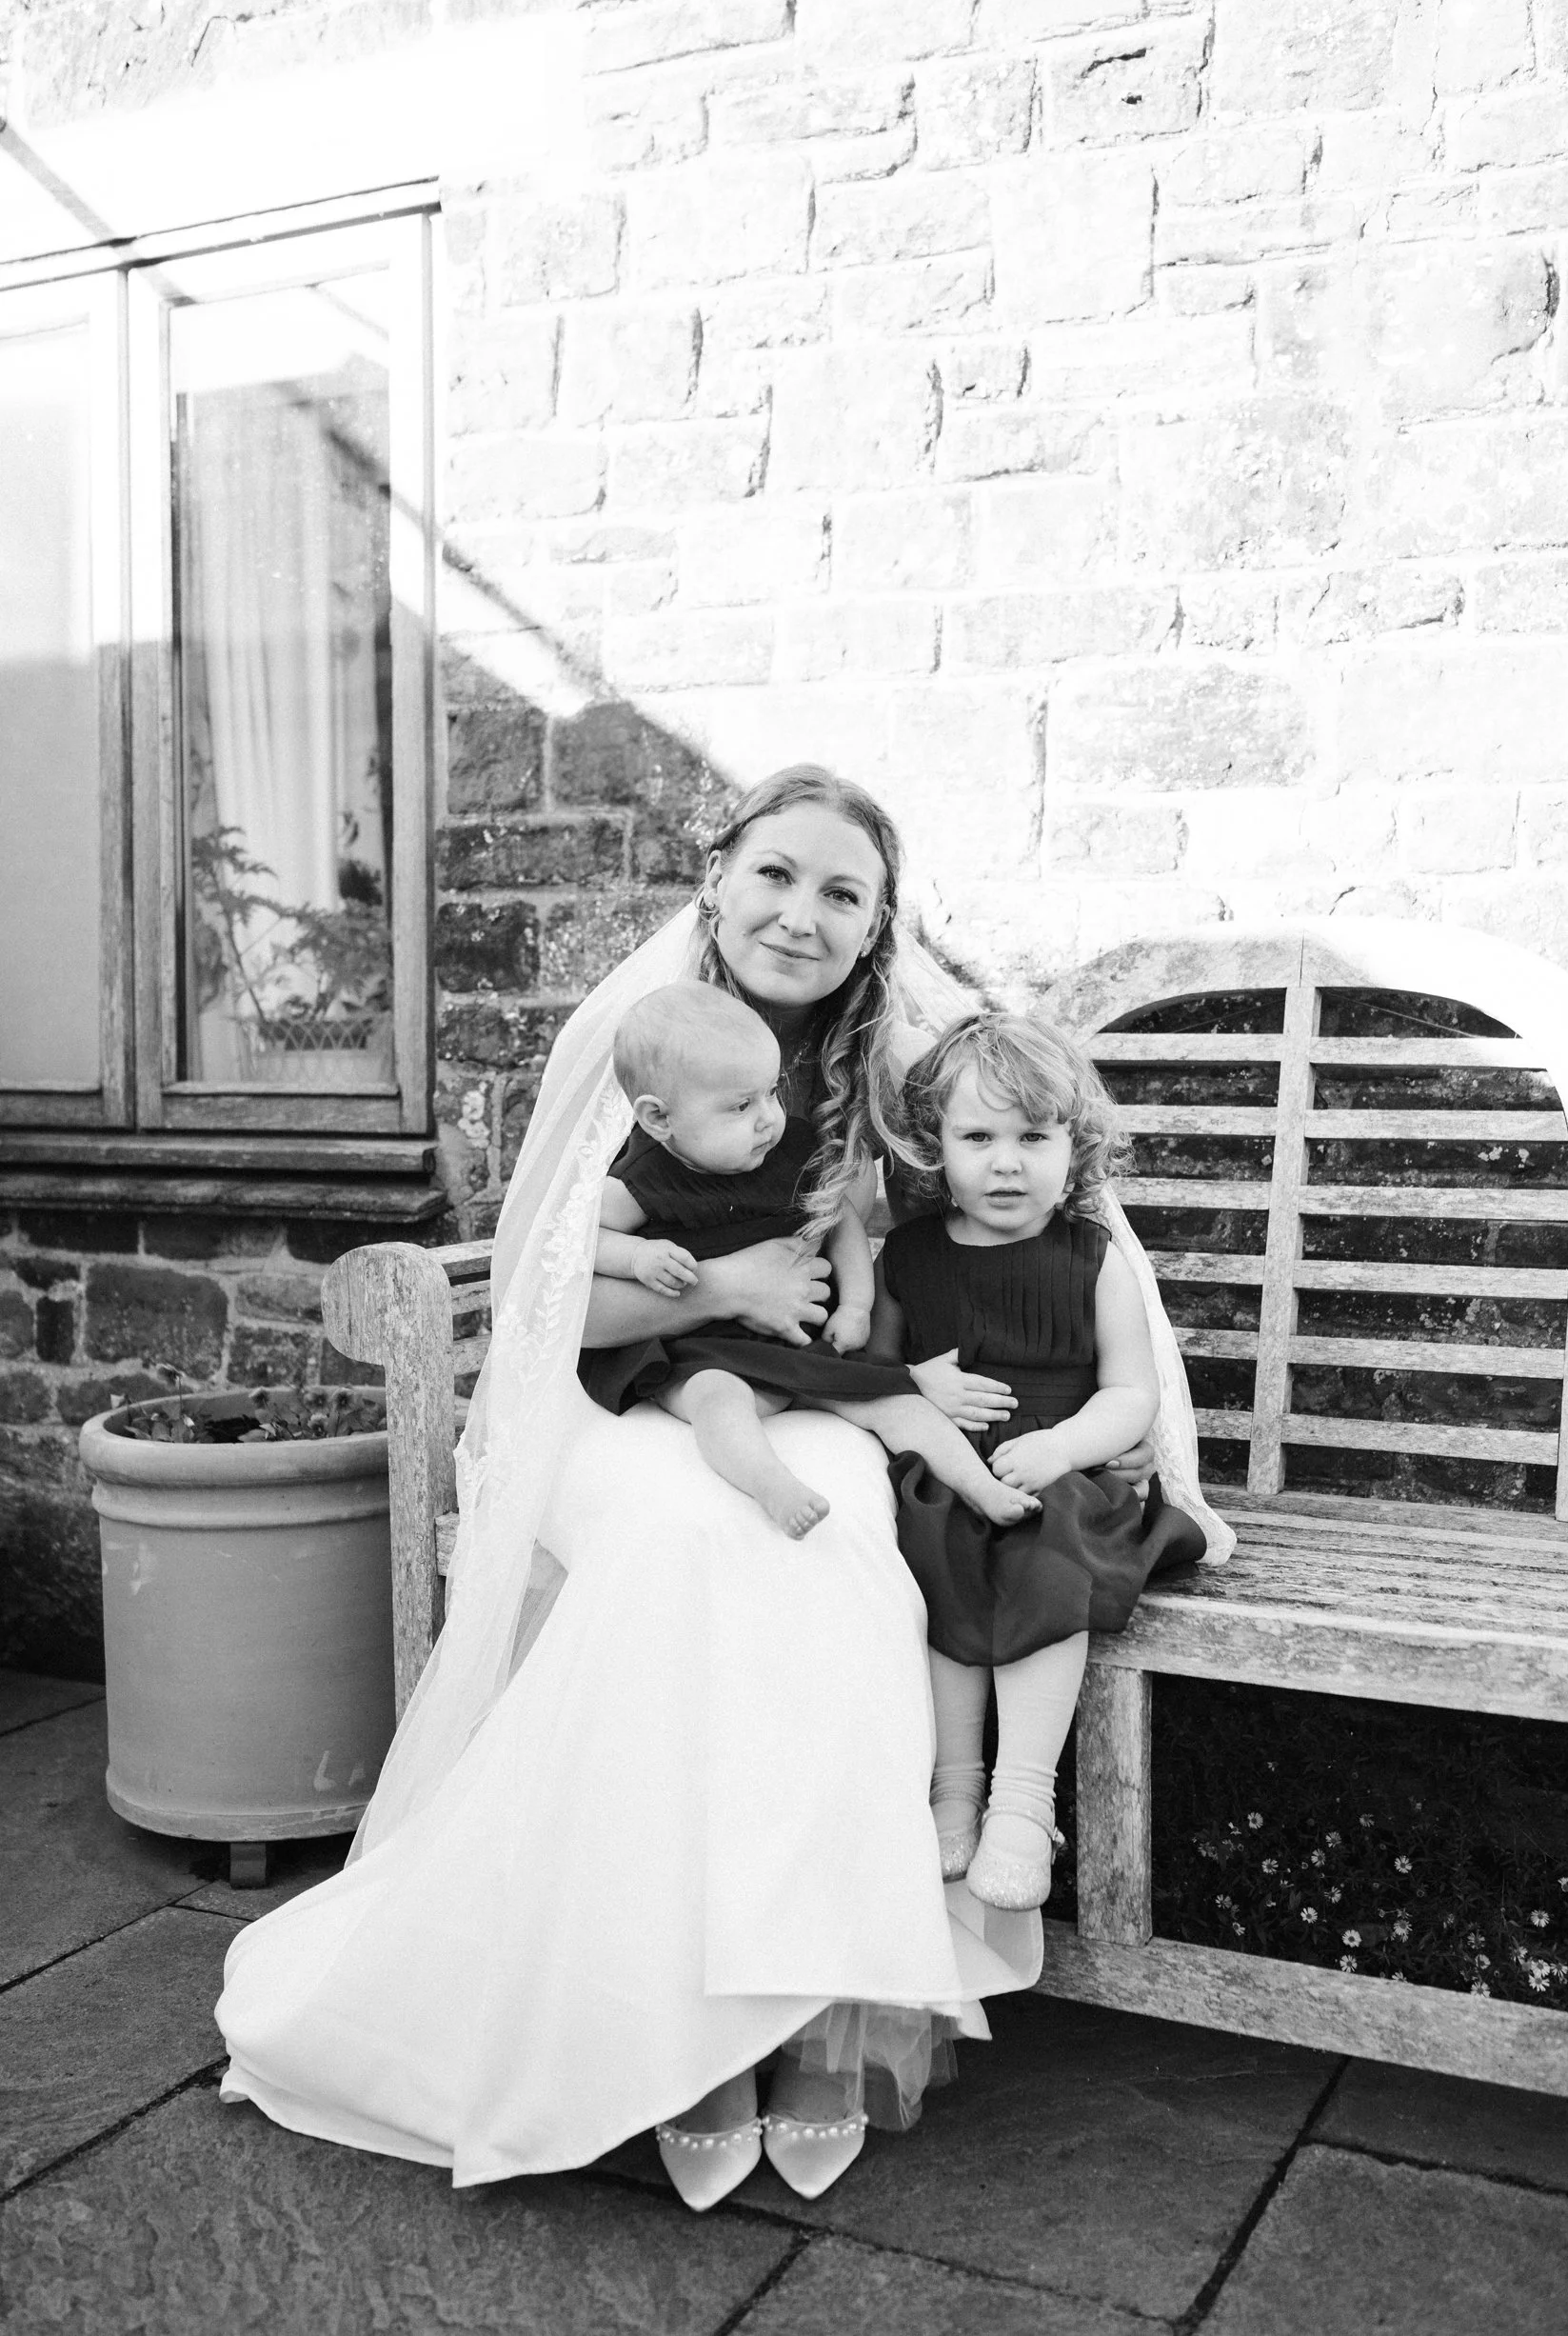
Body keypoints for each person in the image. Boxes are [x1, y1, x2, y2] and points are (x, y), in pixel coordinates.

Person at [215, 764, 1234, 2215]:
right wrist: (741, 1282)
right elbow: (543, 1308)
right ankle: (678, 2035)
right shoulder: (636, 1041)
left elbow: (1053, 1236)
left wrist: (1099, 1431)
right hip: (618, 1402)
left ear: (879, 929)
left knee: (836, 1548)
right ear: (717, 878)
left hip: (820, 1396)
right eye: (775, 875)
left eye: (841, 895)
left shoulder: (910, 1067)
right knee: (690, 1537)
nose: (799, 915)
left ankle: (813, 2014)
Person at [874, 1011, 1208, 1915]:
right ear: (934, 1147)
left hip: (1070, 1479)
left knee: (1044, 1545)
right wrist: (916, 1386)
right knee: (926, 1541)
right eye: (977, 1137)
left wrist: (1064, 1446)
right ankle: (953, 1786)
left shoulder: (1091, 1259)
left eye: (1034, 1136)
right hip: (948, 1470)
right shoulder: (907, 1257)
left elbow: (1129, 1392)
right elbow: (873, 1374)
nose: (1007, 1162)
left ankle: (1023, 1798)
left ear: (1075, 1144)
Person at [585, 980, 1040, 1537]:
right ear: (659, 1119)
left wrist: (857, 1305)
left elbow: (840, 1222)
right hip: (698, 1349)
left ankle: (982, 1487)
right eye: (739, 1106)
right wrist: (637, 1256)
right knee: (717, 1400)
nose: (766, 1119)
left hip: (798, 1340)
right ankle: (773, 1485)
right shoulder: (639, 1181)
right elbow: (585, 1242)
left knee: (891, 1399)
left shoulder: (788, 1149)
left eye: (770, 1094)